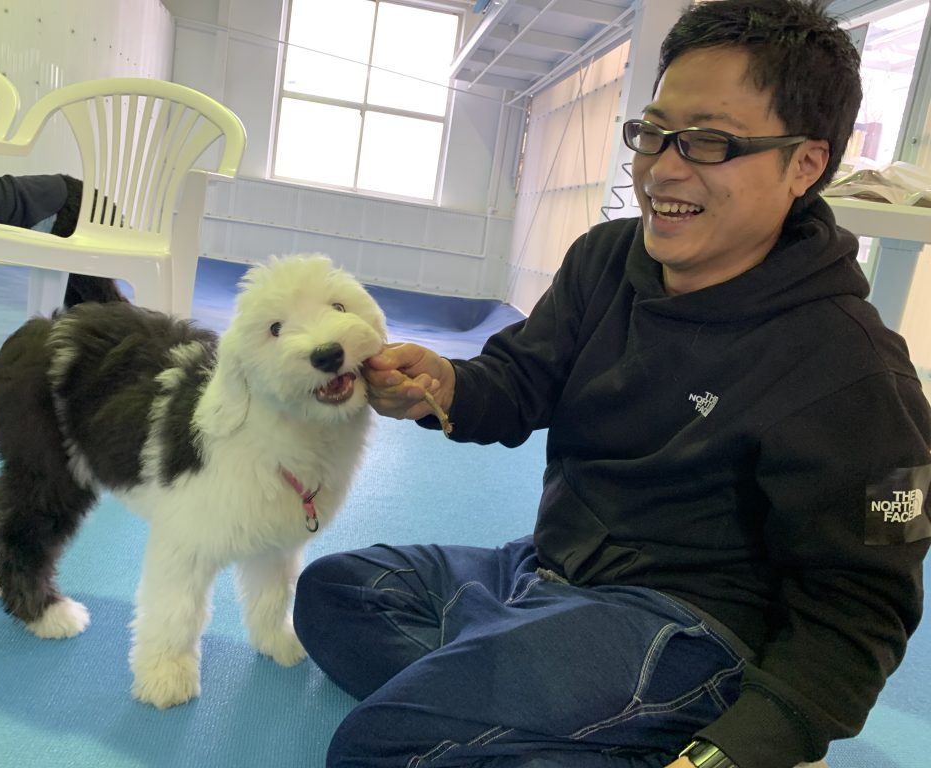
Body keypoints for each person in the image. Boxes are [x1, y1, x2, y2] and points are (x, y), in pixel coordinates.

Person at [292, 1, 931, 767]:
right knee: (334, 593)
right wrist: (447, 385)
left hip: (686, 628)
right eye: (655, 132)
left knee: (379, 746)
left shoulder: (856, 372)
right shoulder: (605, 260)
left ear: (805, 163)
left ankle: (574, 717)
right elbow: (522, 377)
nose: (663, 166)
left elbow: (864, 610)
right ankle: (555, 719)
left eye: (709, 141)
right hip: (547, 571)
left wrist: (738, 751)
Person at [0, 171, 127, 341]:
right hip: (66, 195)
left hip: (67, 205)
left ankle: (126, 332)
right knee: (82, 296)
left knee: (97, 294)